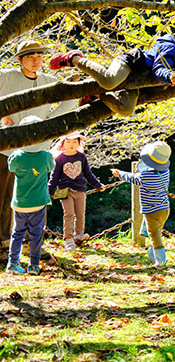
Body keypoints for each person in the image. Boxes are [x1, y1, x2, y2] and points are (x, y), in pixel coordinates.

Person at [49, 13, 175, 116]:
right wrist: (169, 76)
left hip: (139, 83)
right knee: (110, 80)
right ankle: (75, 58)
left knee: (126, 110)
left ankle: (97, 94)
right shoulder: (171, 46)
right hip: (132, 63)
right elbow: (160, 68)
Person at [0, 40, 77, 259]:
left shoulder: (49, 82)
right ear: (20, 59)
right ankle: (3, 244)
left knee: (33, 197)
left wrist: (49, 127)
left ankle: (30, 243)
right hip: (7, 146)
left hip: (38, 149)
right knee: (3, 198)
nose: (35, 60)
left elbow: (69, 101)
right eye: (30, 56)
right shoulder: (6, 77)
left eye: (39, 56)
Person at [5, 116, 54, 275]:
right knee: (36, 235)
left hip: (19, 203)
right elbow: (50, 167)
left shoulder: (17, 156)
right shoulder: (45, 156)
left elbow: (11, 168)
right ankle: (33, 265)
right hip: (38, 202)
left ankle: (13, 263)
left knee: (17, 233)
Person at [110, 141, 171, 268]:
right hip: (165, 208)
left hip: (151, 211)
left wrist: (119, 173)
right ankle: (152, 252)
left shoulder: (145, 177)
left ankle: (161, 262)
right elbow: (149, 171)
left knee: (154, 234)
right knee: (156, 231)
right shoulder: (166, 172)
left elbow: (131, 177)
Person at [48, 132, 103, 252]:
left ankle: (79, 236)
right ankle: (68, 239)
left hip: (80, 190)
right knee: (69, 214)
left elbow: (88, 174)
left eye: (74, 142)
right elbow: (54, 177)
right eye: (68, 142)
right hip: (65, 191)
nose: (71, 144)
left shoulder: (81, 157)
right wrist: (49, 191)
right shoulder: (60, 159)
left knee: (80, 214)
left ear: (79, 143)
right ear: (63, 143)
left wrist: (98, 185)